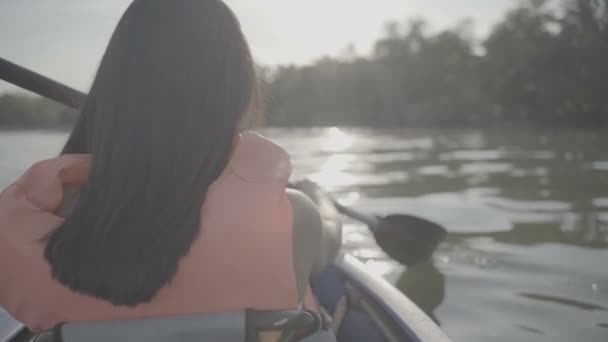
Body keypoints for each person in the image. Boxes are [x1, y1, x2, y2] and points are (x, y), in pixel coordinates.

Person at [0, 0, 340, 339]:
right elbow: (329, 241)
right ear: (235, 89)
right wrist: (318, 199)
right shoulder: (294, 218)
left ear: (114, 86)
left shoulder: (29, 233)